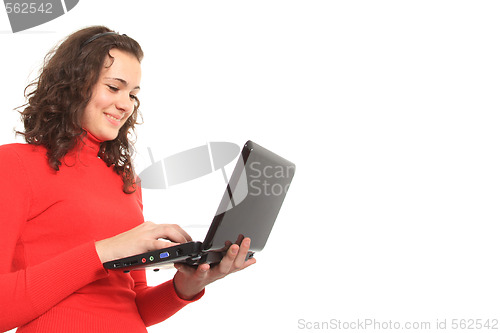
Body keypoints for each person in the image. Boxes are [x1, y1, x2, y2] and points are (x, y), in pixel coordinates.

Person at [0, 25, 256, 333]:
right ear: (74, 85)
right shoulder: (14, 164)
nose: (126, 104)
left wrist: (184, 287)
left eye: (133, 94)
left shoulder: (125, 182)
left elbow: (133, 304)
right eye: (113, 87)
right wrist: (105, 251)